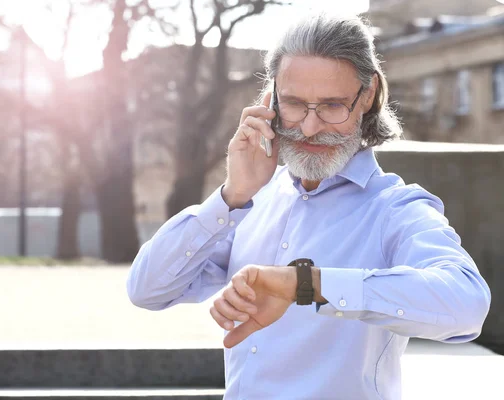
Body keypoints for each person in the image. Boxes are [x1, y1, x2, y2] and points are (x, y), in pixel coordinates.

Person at [126, 12, 491, 400]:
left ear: (367, 96)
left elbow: (466, 305)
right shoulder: (249, 203)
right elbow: (148, 290)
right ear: (272, 98)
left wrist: (306, 286)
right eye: (295, 104)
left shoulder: (396, 209)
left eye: (333, 106)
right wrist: (231, 194)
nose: (310, 127)